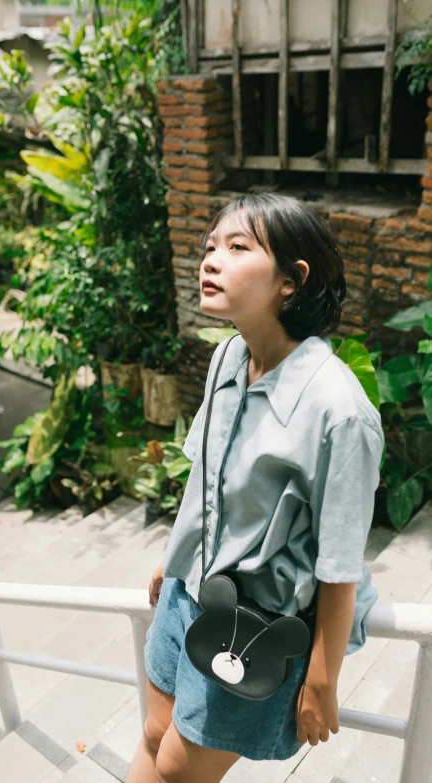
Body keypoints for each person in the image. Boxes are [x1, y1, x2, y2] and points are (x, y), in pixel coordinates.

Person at [126, 192, 384, 783]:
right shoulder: (228, 359)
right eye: (210, 246)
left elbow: (340, 562)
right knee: (153, 734)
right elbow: (204, 473)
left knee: (176, 771)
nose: (210, 260)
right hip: (186, 593)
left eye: (238, 248)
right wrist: (175, 559)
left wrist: (322, 677)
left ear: (291, 281)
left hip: (255, 623)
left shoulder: (339, 410)